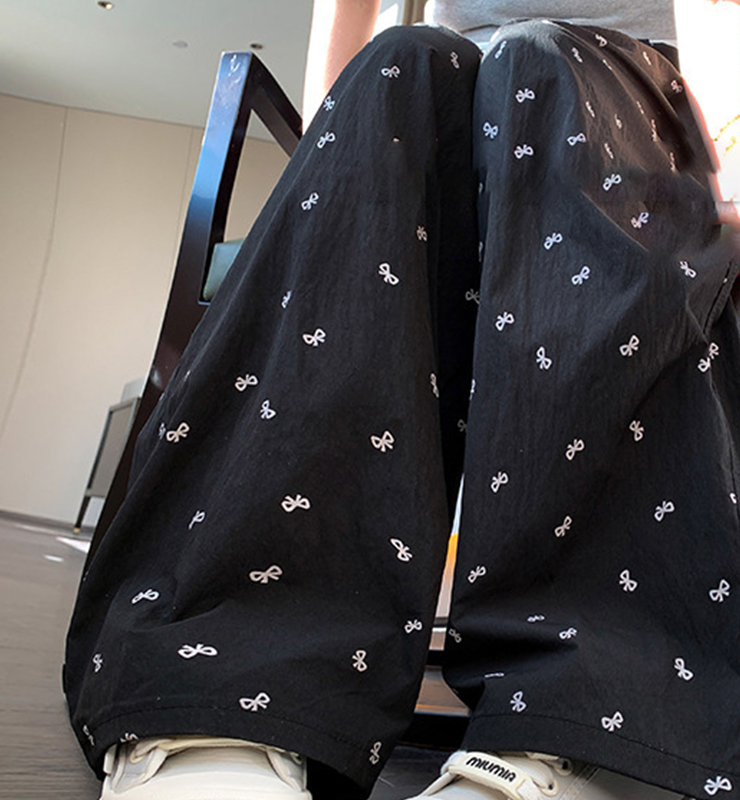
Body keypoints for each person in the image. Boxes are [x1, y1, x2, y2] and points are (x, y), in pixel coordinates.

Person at [62, 1, 740, 799]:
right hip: (443, 113)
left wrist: (730, 149)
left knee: (540, 59)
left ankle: (590, 719)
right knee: (402, 64)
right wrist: (332, 162)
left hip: (632, 108)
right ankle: (230, 682)